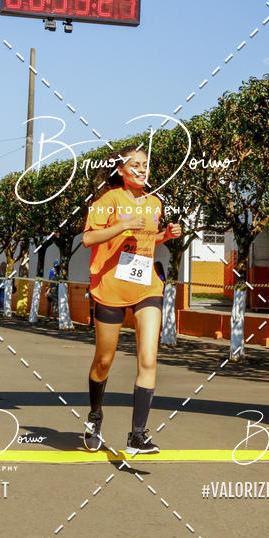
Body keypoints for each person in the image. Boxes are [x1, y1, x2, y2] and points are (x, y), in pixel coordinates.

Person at [81, 146, 182, 454]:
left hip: (146, 286)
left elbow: (145, 239)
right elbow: (88, 239)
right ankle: (95, 416)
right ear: (121, 171)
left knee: (149, 358)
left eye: (146, 164)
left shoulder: (155, 203)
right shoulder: (106, 201)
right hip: (110, 287)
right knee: (104, 360)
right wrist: (122, 224)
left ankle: (137, 434)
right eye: (135, 165)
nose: (142, 169)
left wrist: (166, 235)